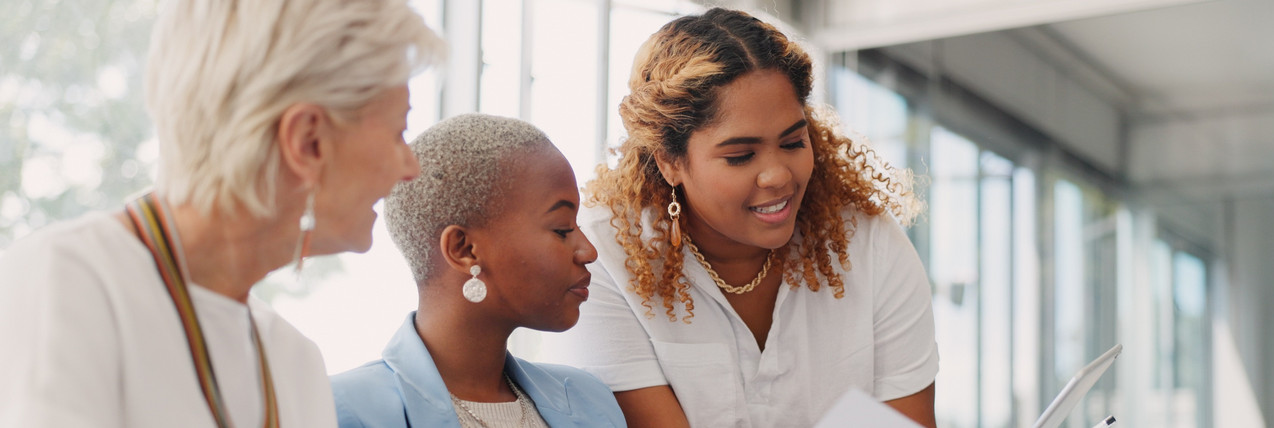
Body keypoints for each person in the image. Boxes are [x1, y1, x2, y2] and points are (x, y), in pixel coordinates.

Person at [0, 0, 444, 426]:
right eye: (398, 132)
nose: (411, 168)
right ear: (307, 140)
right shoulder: (64, 285)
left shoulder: (295, 363)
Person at [540, 7, 938, 428]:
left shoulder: (869, 243)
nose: (778, 176)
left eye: (793, 142)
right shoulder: (603, 256)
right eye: (740, 156)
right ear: (670, 161)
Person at [330, 113, 627, 428]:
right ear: (464, 250)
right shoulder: (341, 411)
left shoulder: (590, 401)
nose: (588, 252)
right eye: (562, 229)